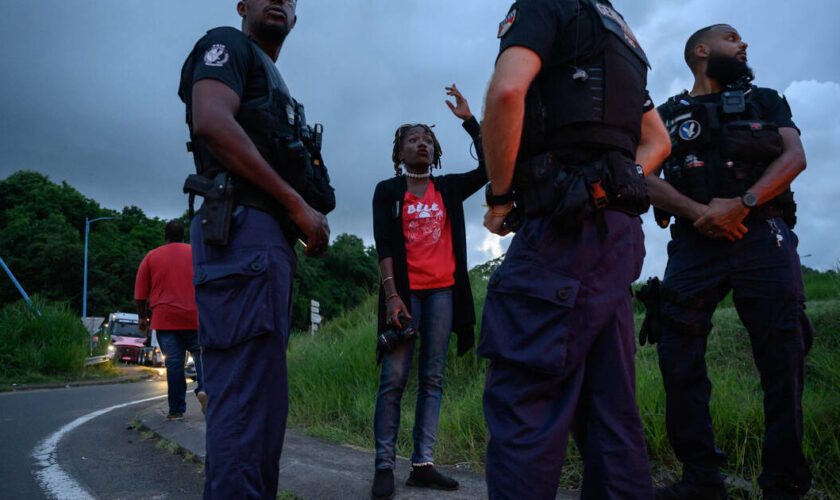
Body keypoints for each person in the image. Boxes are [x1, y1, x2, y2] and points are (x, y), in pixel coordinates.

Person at [477, 0, 671, 498]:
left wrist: (499, 199)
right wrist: (606, 187)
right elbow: (658, 143)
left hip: (562, 236)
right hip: (615, 238)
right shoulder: (622, 34)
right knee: (611, 413)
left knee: (527, 405)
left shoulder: (548, 5)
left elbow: (506, 93)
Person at [641, 24, 813, 500]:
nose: (744, 45)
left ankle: (784, 482)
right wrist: (700, 212)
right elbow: (642, 172)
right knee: (678, 357)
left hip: (763, 236)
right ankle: (700, 478)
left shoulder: (767, 99)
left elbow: (794, 156)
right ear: (702, 50)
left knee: (783, 356)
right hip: (694, 243)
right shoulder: (667, 114)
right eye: (732, 38)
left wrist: (744, 203)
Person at [177, 0, 331, 498]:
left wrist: (304, 208)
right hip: (242, 233)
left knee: (262, 410)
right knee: (244, 407)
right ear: (242, 5)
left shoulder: (278, 87)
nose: (278, 1)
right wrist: (295, 205)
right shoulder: (228, 44)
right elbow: (212, 122)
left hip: (266, 247)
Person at [370, 84, 486, 500]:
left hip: (442, 295)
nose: (421, 142)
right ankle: (384, 465)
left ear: (435, 151)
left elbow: (491, 166)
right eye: (412, 138)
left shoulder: (450, 188)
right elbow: (384, 245)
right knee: (394, 378)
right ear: (399, 152)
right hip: (405, 296)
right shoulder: (388, 191)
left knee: (432, 379)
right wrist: (392, 296)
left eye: (427, 139)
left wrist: (470, 122)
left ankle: (422, 465)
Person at [134, 220, 204, 420]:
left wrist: (142, 318)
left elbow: (140, 293)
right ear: (184, 236)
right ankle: (204, 390)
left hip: (165, 319)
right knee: (202, 358)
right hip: (196, 317)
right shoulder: (198, 254)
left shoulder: (152, 256)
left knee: (174, 363)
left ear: (165, 236)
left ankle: (176, 410)